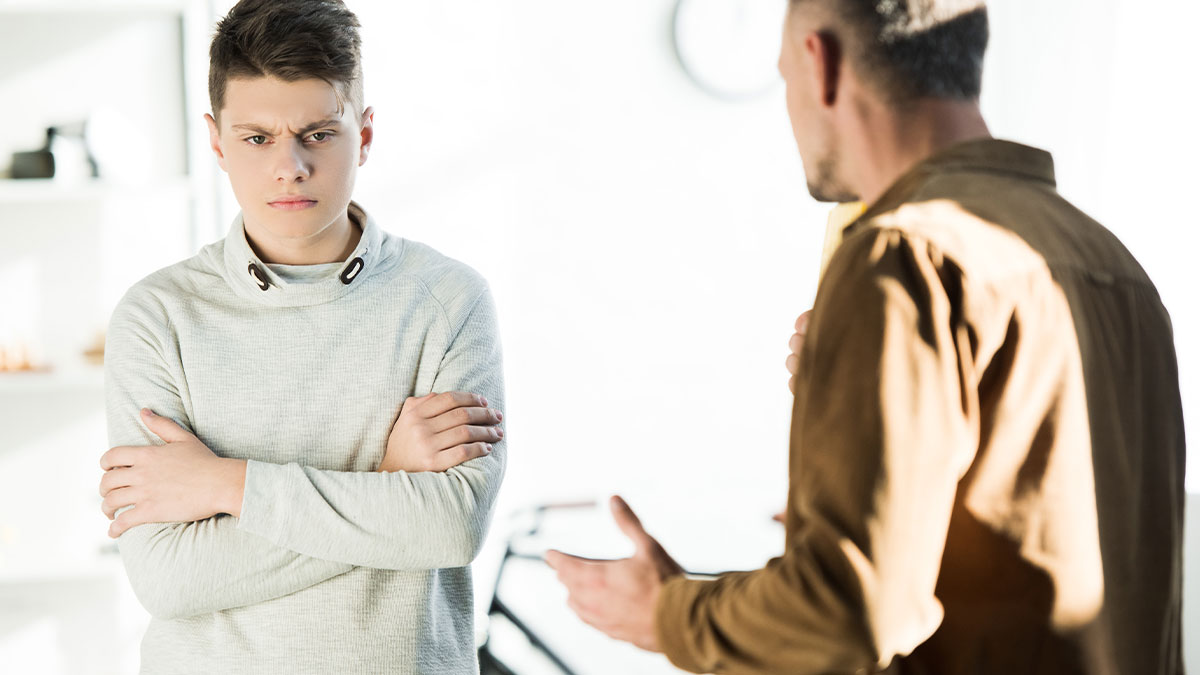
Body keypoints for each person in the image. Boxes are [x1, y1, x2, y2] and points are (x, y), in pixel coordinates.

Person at [546, 1, 1186, 673]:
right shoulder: (1112, 266)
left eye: (784, 77)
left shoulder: (901, 254)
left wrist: (667, 613)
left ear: (821, 66)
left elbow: (847, 613)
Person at [96, 1, 506, 672]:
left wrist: (228, 485)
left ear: (365, 135)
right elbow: (170, 579)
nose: (289, 166)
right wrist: (388, 479)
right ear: (217, 141)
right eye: (257, 138)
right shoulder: (158, 316)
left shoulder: (448, 300)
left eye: (318, 133)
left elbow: (448, 525)